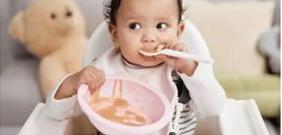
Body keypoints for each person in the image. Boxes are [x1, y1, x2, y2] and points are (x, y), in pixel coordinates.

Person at [45, 0, 227, 134]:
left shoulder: (182, 71)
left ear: (178, 31)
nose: (149, 37)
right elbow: (55, 112)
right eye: (135, 26)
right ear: (114, 34)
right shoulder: (102, 70)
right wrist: (73, 82)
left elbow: (214, 108)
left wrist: (189, 69)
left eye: (161, 25)